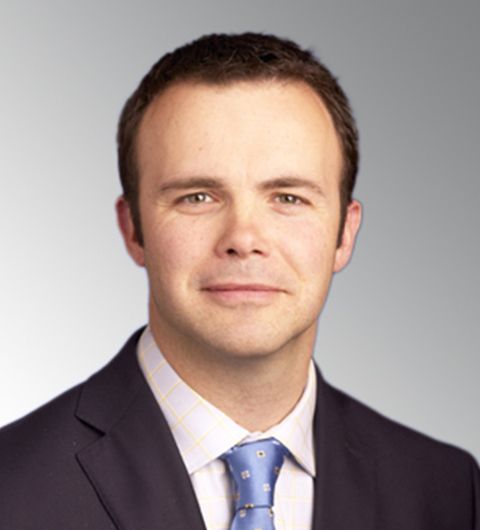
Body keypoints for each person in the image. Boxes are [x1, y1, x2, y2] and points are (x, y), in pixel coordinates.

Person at [0, 32, 478, 530]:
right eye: (197, 197)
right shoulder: (9, 486)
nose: (244, 239)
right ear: (133, 229)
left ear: (345, 233)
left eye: (288, 197)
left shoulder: (447, 490)